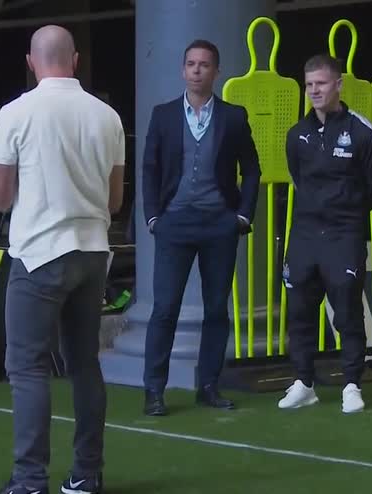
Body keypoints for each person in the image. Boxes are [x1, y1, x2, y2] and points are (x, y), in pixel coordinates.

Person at [0, 24, 125, 494]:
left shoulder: (15, 113)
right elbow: (115, 201)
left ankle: (29, 480)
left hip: (38, 254)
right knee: (84, 363)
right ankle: (87, 474)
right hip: (92, 252)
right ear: (76, 60)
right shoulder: (107, 116)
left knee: (27, 367)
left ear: (31, 62)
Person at [141, 39, 261, 416]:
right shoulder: (163, 115)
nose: (197, 70)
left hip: (219, 224)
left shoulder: (233, 116)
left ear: (216, 72)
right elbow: (149, 168)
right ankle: (154, 390)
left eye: (204, 65)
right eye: (191, 64)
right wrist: (153, 217)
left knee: (216, 310)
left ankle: (209, 386)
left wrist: (242, 216)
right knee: (165, 309)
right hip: (174, 224)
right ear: (183, 70)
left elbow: (252, 169)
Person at [277, 54, 372, 413]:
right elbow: (298, 180)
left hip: (344, 235)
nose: (314, 90)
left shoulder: (364, 132)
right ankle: (304, 383)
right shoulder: (297, 134)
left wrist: (344, 211)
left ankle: (352, 384)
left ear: (338, 84)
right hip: (304, 235)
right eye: (309, 84)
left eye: (321, 83)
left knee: (347, 312)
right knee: (299, 311)